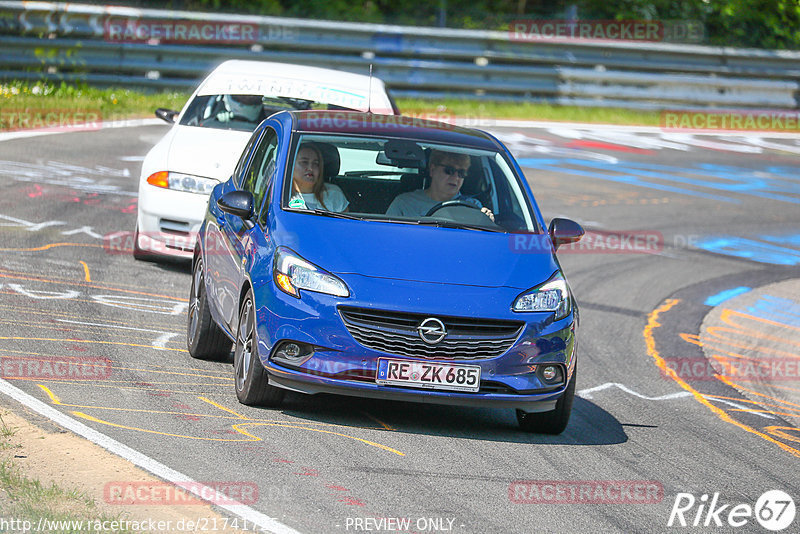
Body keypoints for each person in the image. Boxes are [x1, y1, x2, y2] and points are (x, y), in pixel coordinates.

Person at [386, 149, 493, 220]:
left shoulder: (474, 208)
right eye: (449, 171)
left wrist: (485, 221)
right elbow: (388, 236)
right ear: (432, 170)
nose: (455, 178)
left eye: (461, 173)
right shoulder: (404, 203)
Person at [288, 143, 349, 212]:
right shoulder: (282, 195)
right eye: (304, 162)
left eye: (315, 163)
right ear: (291, 165)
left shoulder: (334, 194)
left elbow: (346, 222)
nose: (310, 168)